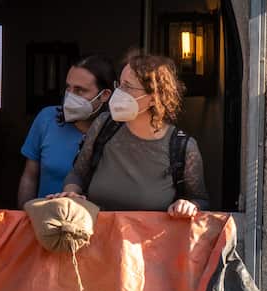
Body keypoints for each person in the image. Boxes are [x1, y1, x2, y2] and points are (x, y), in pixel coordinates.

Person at [56, 54, 208, 219]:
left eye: (127, 86)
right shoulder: (104, 125)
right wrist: (71, 194)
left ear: (153, 97)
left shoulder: (183, 148)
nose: (118, 92)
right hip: (96, 238)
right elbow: (78, 174)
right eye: (119, 84)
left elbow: (200, 199)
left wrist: (190, 205)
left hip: (147, 243)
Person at [17, 55, 115, 207]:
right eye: (68, 87)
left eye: (80, 90)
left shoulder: (117, 131)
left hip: (97, 224)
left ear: (104, 95)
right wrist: (24, 216)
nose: (70, 95)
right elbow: (30, 176)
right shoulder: (46, 119)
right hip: (46, 222)